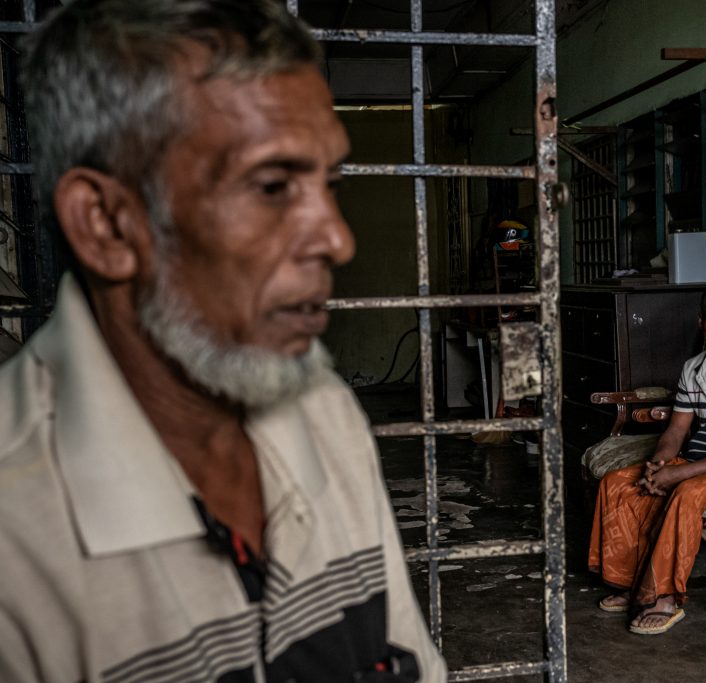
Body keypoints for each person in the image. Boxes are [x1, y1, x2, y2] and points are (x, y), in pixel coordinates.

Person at [0, 1, 445, 681]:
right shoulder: (17, 535)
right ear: (108, 226)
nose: (337, 238)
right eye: (272, 186)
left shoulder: (324, 410)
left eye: (329, 184)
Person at [587, 282, 706, 635]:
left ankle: (665, 598)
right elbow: (676, 431)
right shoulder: (694, 368)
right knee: (618, 483)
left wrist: (678, 476)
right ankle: (631, 584)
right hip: (701, 459)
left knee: (686, 494)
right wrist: (661, 464)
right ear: (701, 323)